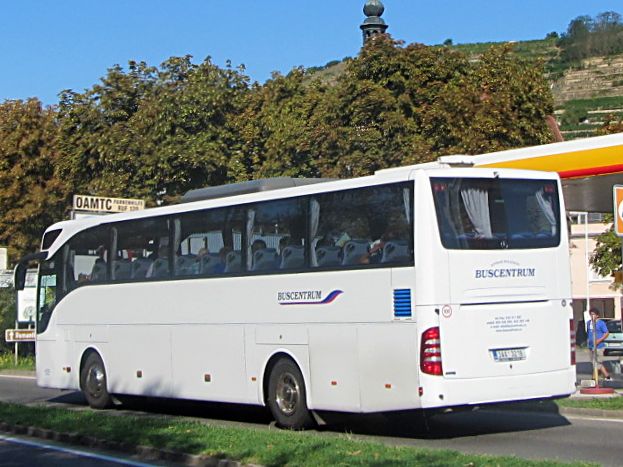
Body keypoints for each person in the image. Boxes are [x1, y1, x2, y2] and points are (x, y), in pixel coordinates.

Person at [586, 308, 612, 381]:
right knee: (594, 362)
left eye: (593, 314)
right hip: (591, 346)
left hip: (599, 346)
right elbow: (588, 333)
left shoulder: (601, 323)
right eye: (591, 314)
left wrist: (599, 340)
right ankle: (607, 377)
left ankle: (594, 378)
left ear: (597, 315)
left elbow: (606, 333)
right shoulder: (589, 323)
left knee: (598, 362)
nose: (592, 316)